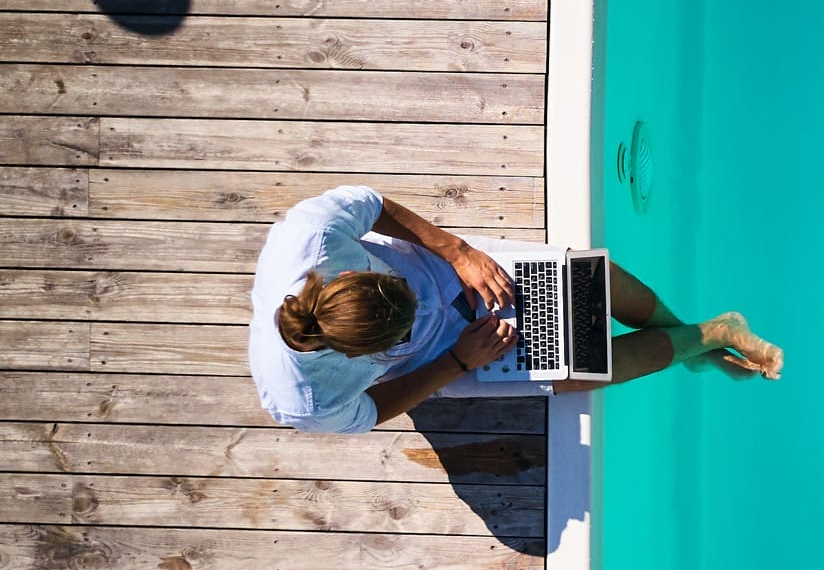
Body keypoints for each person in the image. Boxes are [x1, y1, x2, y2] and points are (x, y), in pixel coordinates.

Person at [247, 185, 782, 434]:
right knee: (578, 373)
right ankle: (708, 334)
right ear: (358, 353)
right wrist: (454, 362)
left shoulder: (312, 236)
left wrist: (459, 253)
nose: (426, 310)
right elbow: (373, 411)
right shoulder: (306, 400)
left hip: (446, 265)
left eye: (397, 291)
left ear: (347, 274)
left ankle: (697, 342)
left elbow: (373, 205)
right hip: (440, 359)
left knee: (585, 283)